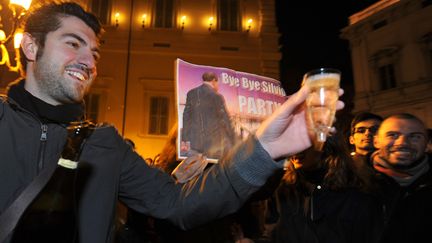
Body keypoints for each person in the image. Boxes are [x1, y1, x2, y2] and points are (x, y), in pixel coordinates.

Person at [0, 2, 345, 243]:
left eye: (94, 53)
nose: (88, 60)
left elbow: (179, 204)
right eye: (73, 44)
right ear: (31, 47)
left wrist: (266, 148)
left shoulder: (105, 144)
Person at [270, 129, 383, 243]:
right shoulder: (284, 190)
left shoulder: (358, 197)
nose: (296, 149)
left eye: (304, 141)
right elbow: (271, 233)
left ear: (328, 146)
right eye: (293, 142)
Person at [371, 113, 432, 243]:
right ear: (376, 141)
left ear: (427, 144)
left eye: (415, 137)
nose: (403, 143)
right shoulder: (352, 183)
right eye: (392, 135)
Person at [181, 71, 237, 159]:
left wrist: (184, 140)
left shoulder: (191, 93)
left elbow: (186, 117)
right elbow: (225, 120)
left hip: (194, 144)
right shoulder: (217, 97)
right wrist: (234, 141)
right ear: (214, 81)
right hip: (212, 146)